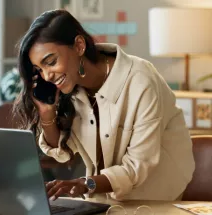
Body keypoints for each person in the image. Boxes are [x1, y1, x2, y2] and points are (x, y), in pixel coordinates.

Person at [13, 9, 195, 202]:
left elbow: (137, 166)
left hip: (153, 200)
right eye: (39, 69)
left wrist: (85, 183)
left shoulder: (140, 80)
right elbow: (63, 154)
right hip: (102, 201)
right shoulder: (72, 89)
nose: (47, 75)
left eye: (51, 62)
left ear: (79, 46)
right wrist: (47, 115)